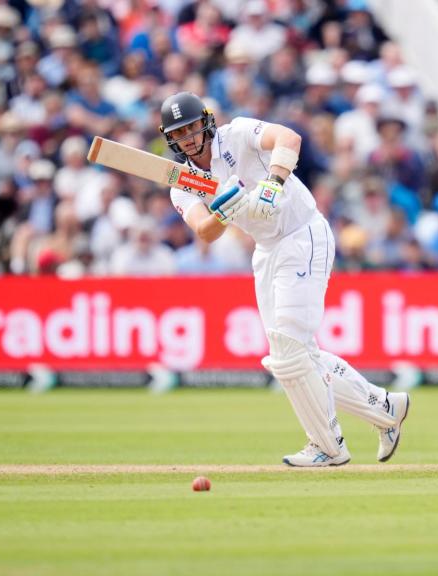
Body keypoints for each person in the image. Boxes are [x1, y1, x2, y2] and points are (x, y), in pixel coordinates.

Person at [159, 92, 409, 467]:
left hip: (302, 232)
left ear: (206, 122)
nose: (190, 138)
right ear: (170, 139)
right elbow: (204, 230)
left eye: (193, 127)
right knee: (288, 357)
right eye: (180, 133)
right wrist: (227, 209)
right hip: (267, 249)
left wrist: (273, 184)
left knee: (291, 346)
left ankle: (328, 445)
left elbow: (289, 139)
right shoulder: (184, 181)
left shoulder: (238, 133)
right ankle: (385, 408)